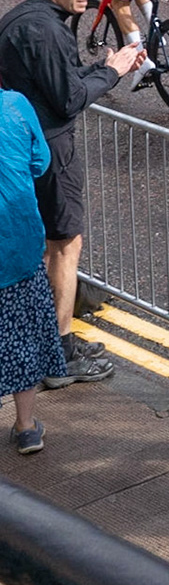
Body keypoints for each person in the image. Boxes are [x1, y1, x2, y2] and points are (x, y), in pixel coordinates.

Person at [0, 0, 143, 386]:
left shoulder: (26, 18)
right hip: (48, 147)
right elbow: (67, 99)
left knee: (49, 241)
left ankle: (50, 339)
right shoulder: (46, 30)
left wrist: (98, 66)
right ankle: (60, 352)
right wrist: (114, 72)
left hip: (25, 142)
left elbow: (58, 78)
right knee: (65, 242)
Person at [0, 88, 66, 455]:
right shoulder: (15, 104)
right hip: (17, 242)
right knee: (20, 335)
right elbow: (39, 161)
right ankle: (26, 428)